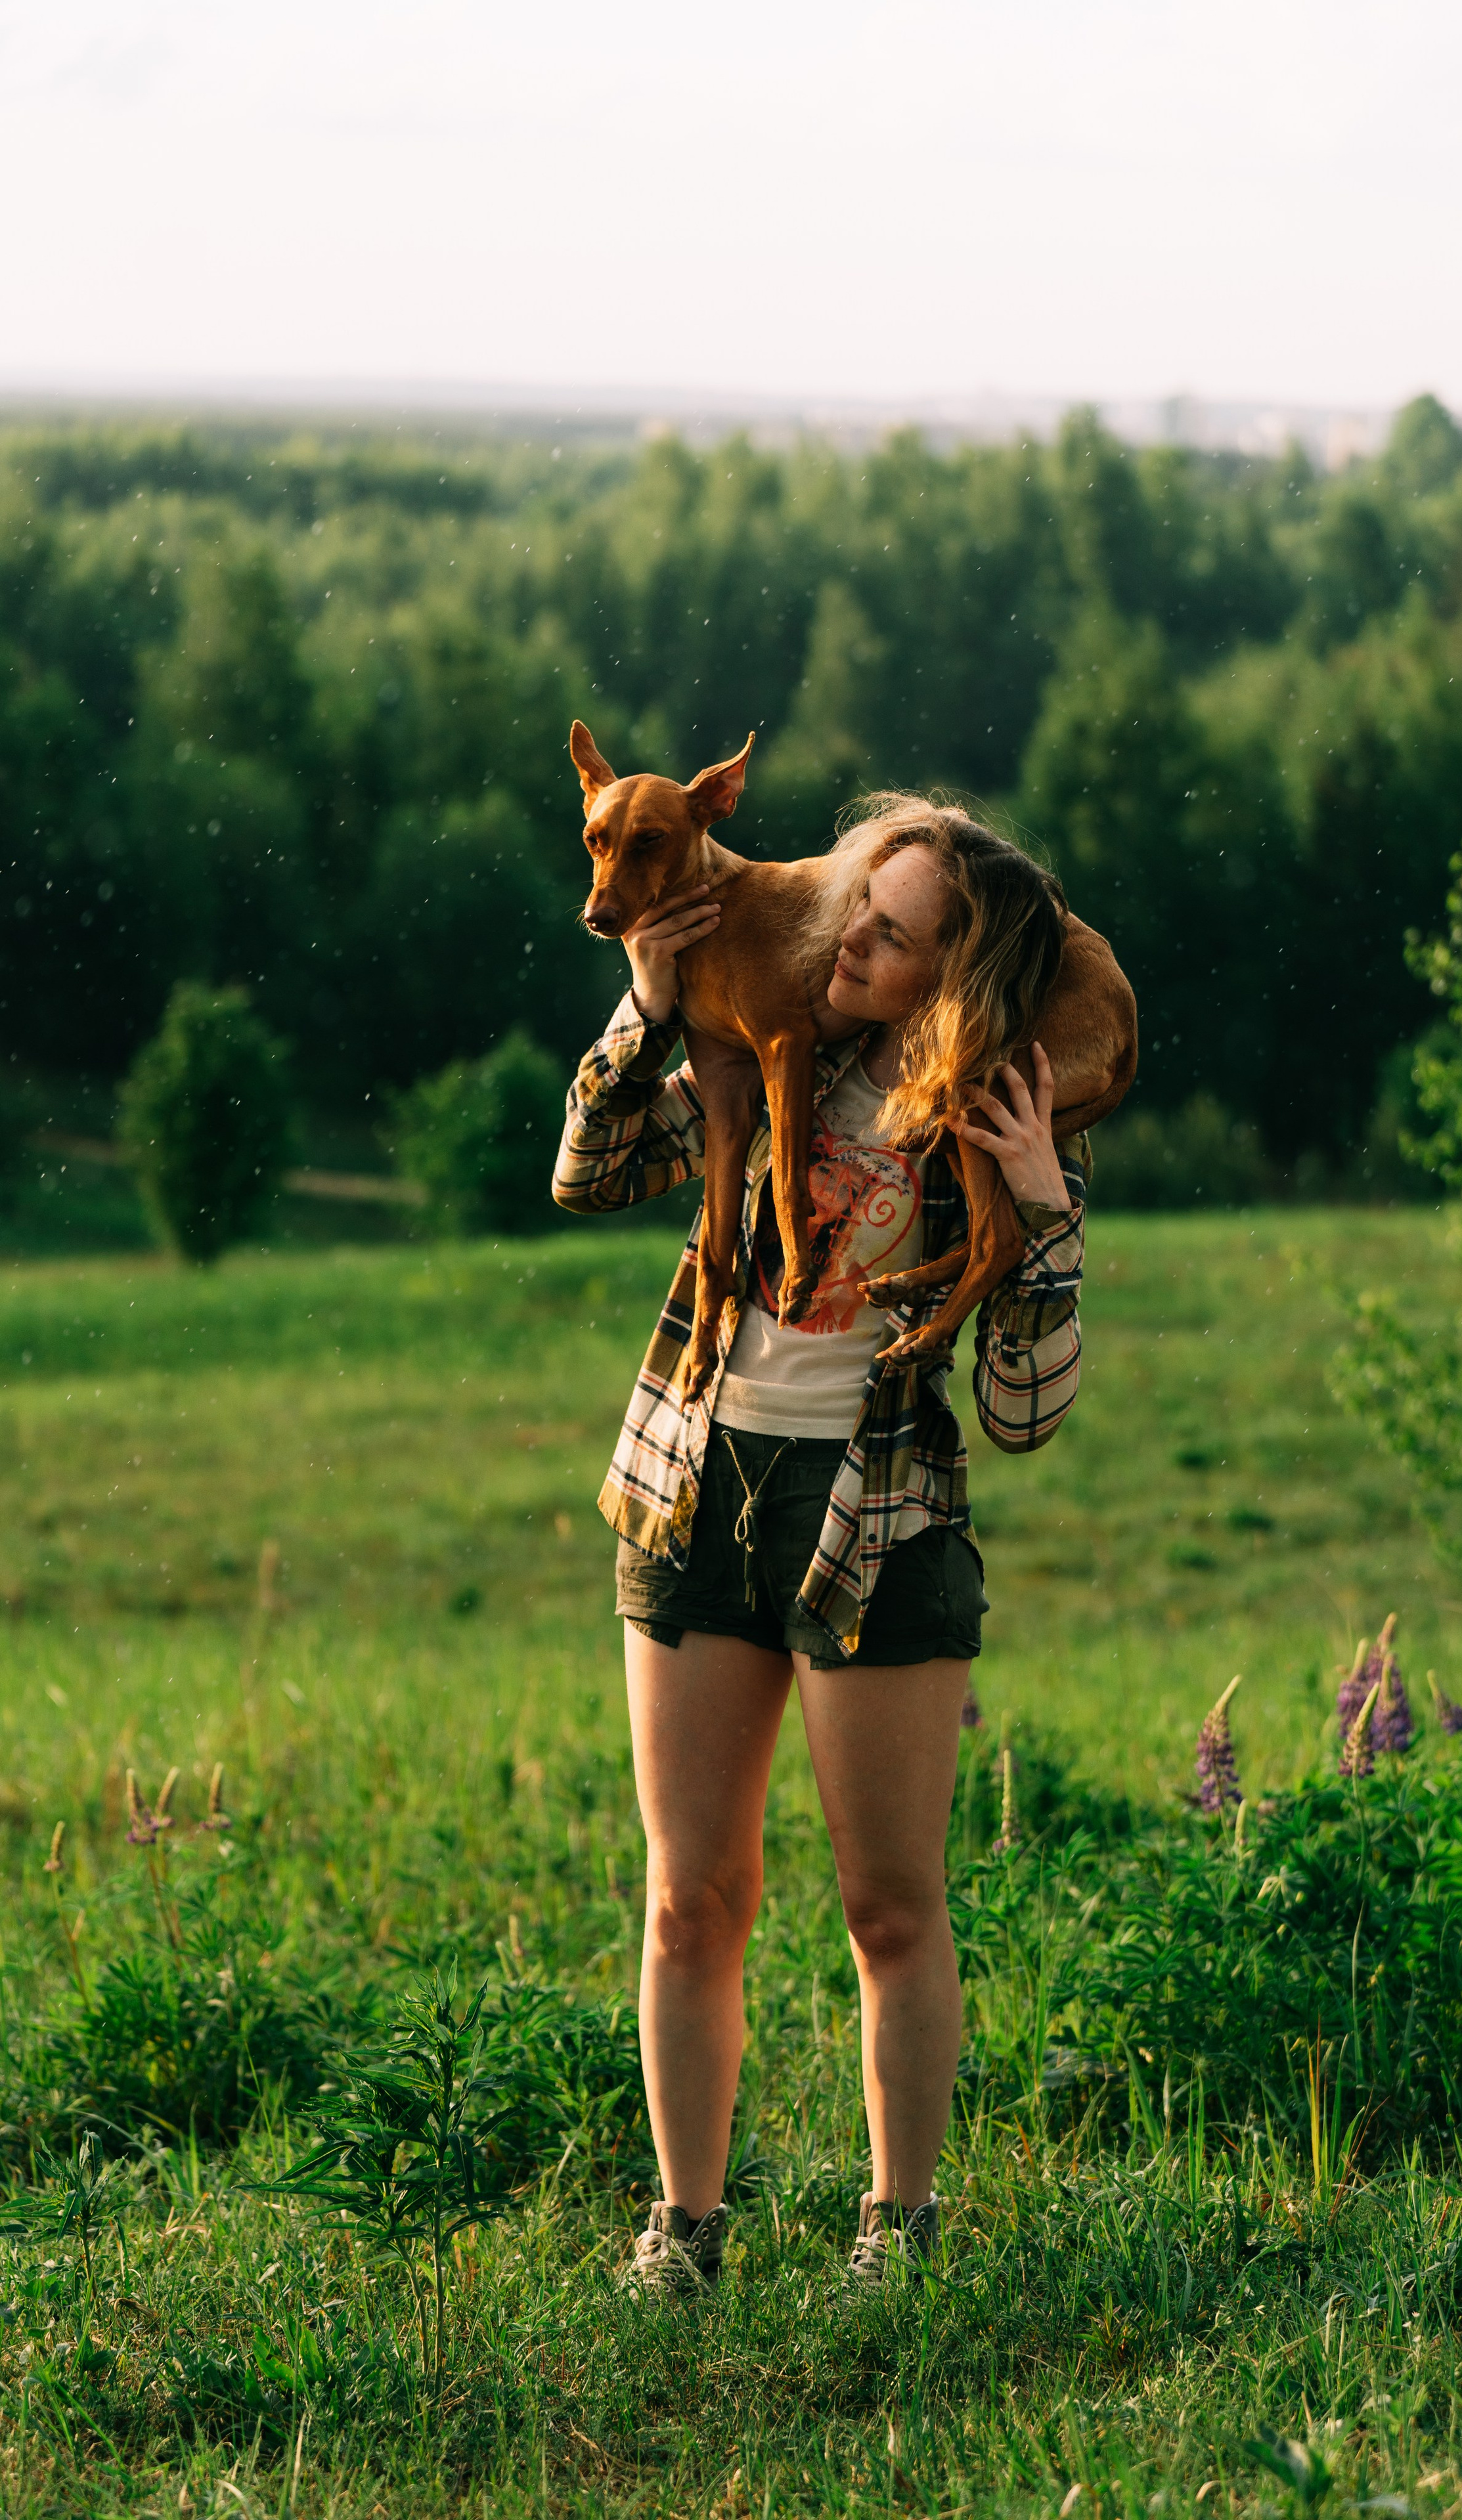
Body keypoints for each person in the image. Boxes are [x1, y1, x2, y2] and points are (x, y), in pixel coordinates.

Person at [552, 796, 1088, 2296]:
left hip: (880, 1511)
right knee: (688, 1896)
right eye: (856, 904)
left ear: (951, 971)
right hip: (697, 1478)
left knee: (889, 1906)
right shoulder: (756, 1030)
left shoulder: (996, 1115)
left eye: (892, 935)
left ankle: (897, 2236)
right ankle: (683, 2230)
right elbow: (588, 1172)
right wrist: (647, 1001)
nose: (850, 942)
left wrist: (1043, 1215)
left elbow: (1024, 1412)